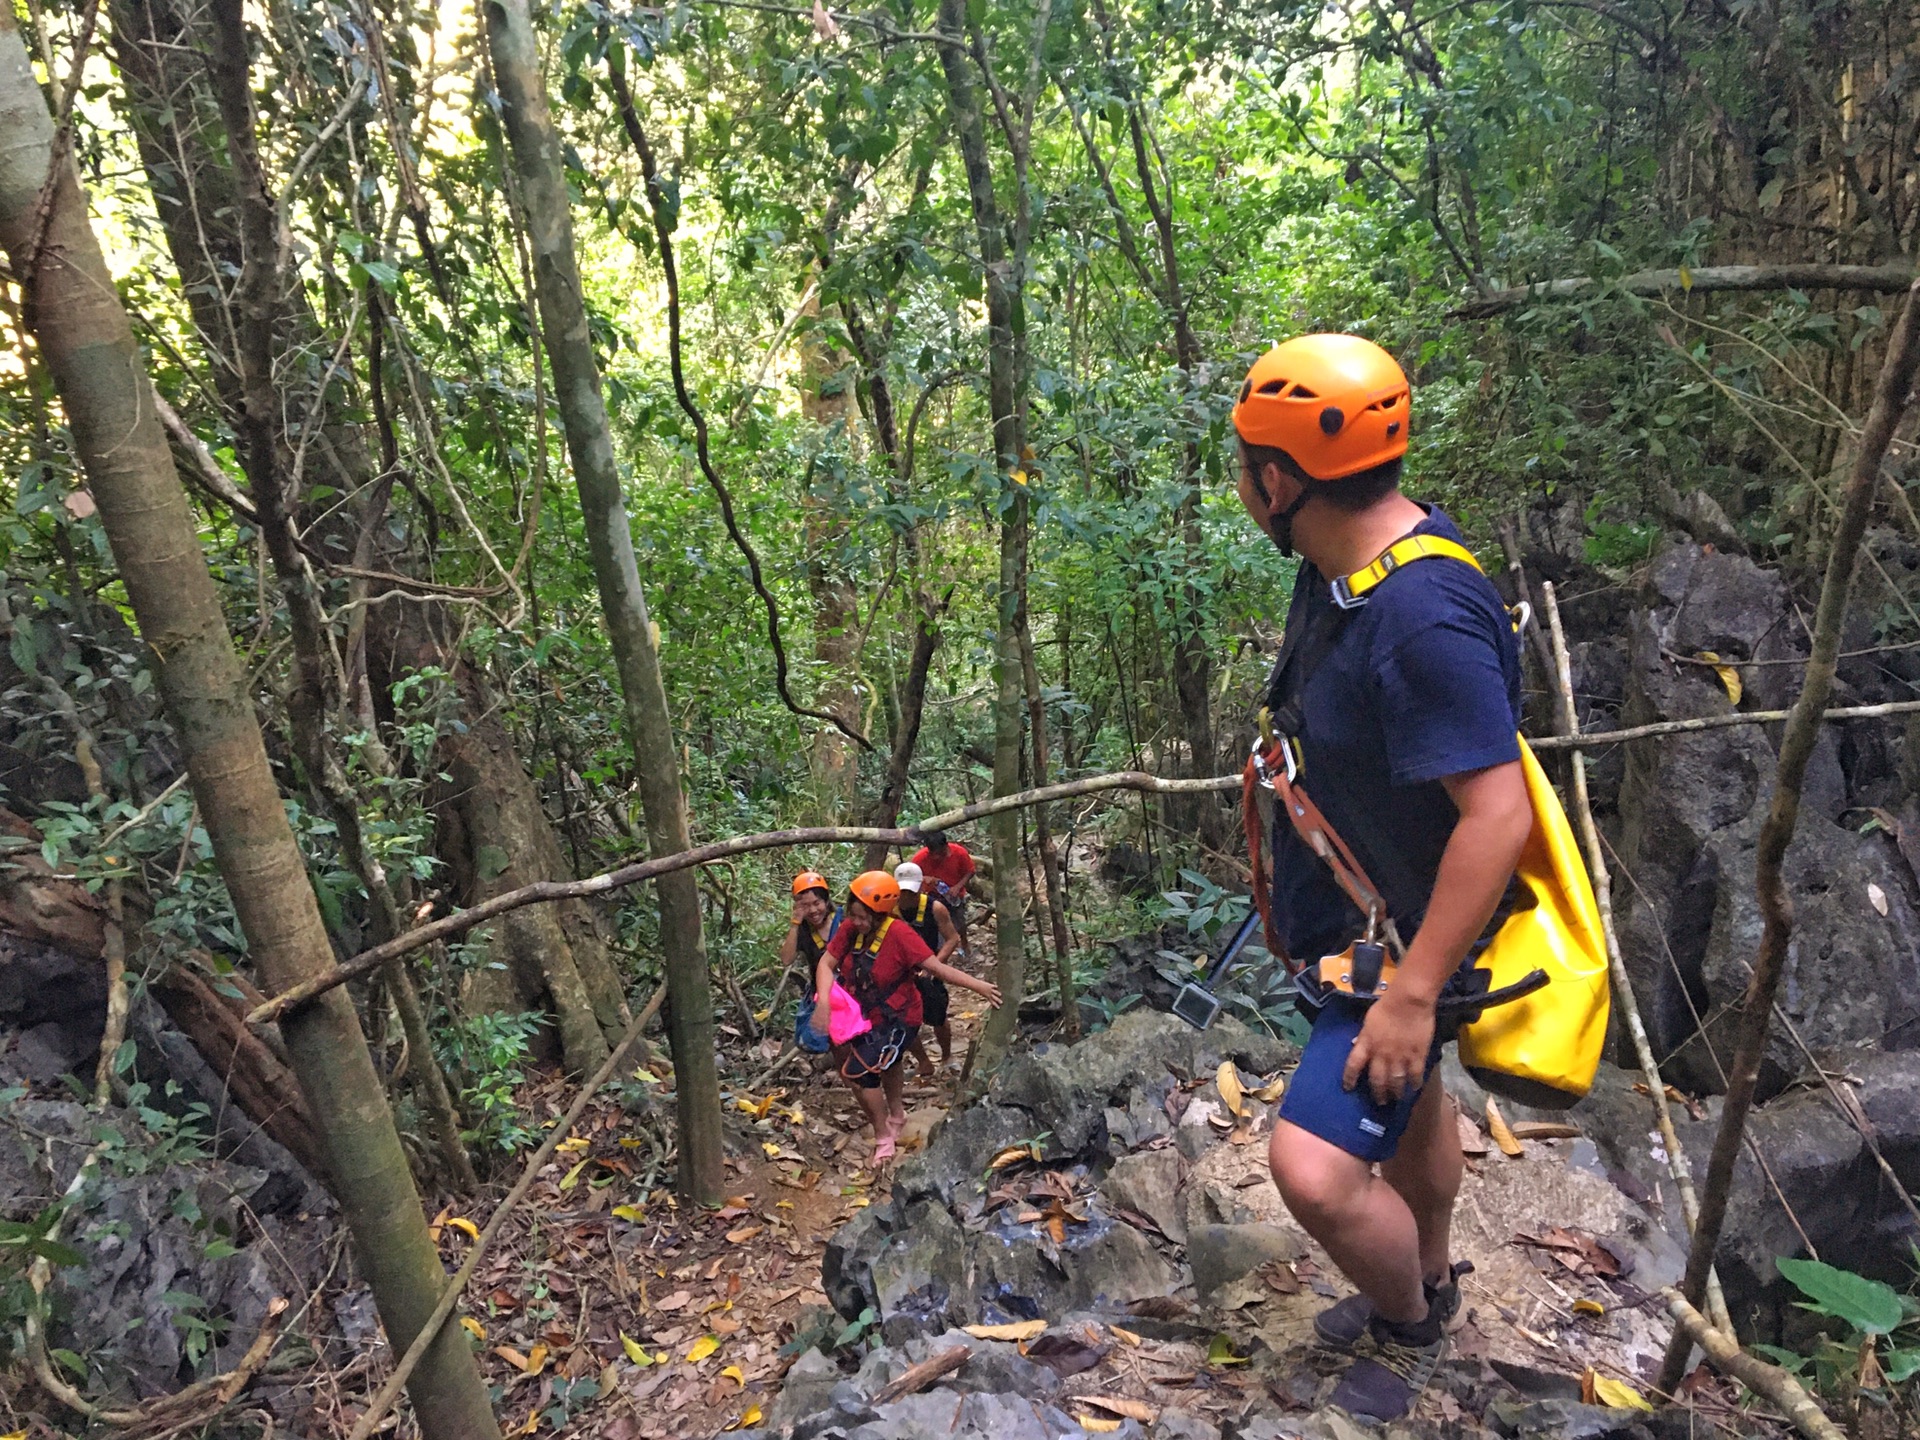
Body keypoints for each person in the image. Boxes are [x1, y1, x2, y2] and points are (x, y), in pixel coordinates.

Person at [1234, 335, 1531, 1421]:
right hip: (1376, 927)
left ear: (1280, 480)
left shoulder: (1417, 615)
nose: (1241, 487)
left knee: (1311, 1169)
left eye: (1244, 468)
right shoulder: (1350, 572)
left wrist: (1410, 996)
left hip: (1403, 948)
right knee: (1412, 1107)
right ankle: (1436, 1273)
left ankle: (1410, 1326)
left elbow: (1498, 815)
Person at [816, 870, 1002, 1165]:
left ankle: (883, 1137)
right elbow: (827, 963)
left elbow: (938, 968)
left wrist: (980, 987)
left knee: (860, 1073)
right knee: (889, 1062)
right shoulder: (851, 930)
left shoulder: (900, 934)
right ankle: (897, 1114)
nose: (858, 922)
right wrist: (823, 1001)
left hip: (900, 1017)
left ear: (882, 912)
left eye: (864, 917)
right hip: (865, 1014)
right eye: (854, 915)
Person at [892, 860, 962, 1074]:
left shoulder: (935, 908)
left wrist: (935, 966)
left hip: (930, 970)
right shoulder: (888, 909)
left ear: (921, 885)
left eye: (911, 891)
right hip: (901, 973)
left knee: (938, 1014)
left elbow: (952, 939)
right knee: (904, 1020)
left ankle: (947, 1055)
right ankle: (923, 1061)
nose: (907, 896)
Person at [779, 870, 838, 1053]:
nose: (813, 910)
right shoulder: (803, 932)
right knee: (833, 1046)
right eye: (805, 906)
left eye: (816, 903)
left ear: (826, 901)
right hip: (823, 994)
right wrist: (795, 923)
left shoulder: (843, 921)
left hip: (851, 993)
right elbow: (786, 959)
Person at [908, 830, 975, 952]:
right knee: (935, 927)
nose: (937, 857)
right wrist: (924, 880)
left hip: (953, 895)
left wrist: (958, 886)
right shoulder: (920, 858)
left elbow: (970, 871)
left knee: (959, 923)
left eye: (941, 853)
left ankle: (965, 944)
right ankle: (939, 954)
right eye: (934, 854)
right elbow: (911, 878)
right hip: (931, 897)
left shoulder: (959, 853)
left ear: (946, 846)